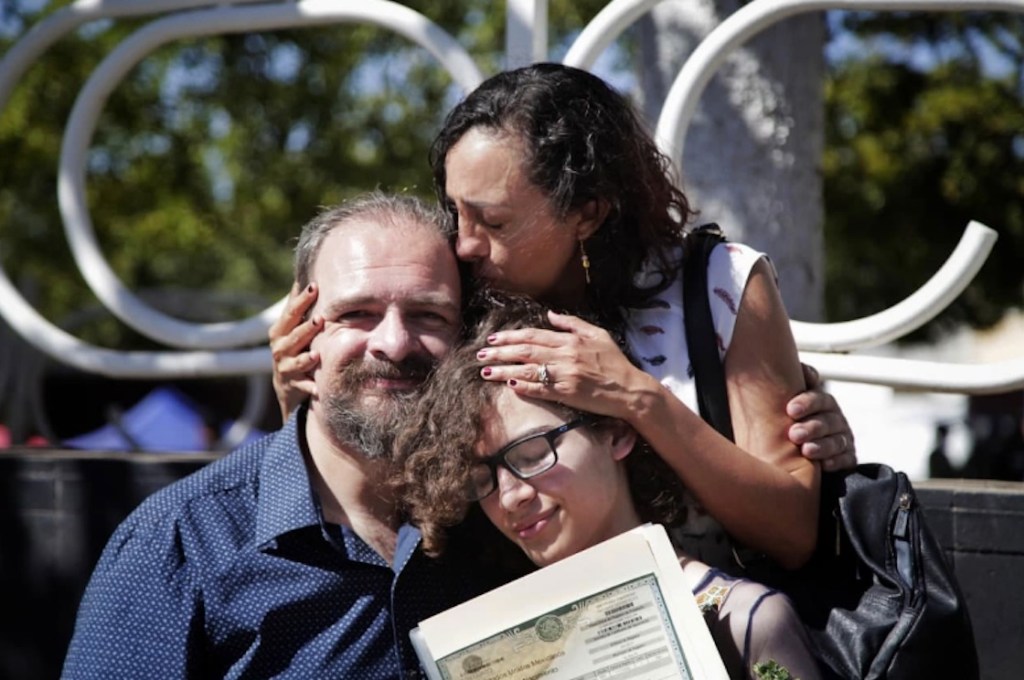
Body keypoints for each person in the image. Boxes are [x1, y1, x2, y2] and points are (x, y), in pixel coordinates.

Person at [271, 62, 856, 571]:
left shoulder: (719, 286)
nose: (465, 245)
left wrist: (637, 399)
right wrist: (301, 394)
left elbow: (792, 535)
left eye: (493, 222)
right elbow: (385, 457)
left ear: (588, 212)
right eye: (455, 211)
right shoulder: (458, 298)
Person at [62, 193, 515, 679]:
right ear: (301, 331)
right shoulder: (177, 542)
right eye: (357, 313)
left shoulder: (504, 516)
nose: (394, 343)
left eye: (429, 315)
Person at [396, 294, 822, 680]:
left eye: (532, 454)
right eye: (480, 477)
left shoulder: (746, 622)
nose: (509, 496)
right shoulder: (491, 652)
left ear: (616, 433)